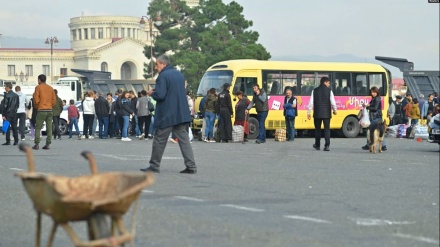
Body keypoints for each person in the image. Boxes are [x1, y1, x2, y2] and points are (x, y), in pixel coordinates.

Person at [140, 54, 196, 174]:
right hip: (181, 113)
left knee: (159, 139)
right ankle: (191, 166)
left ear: (163, 64)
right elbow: (173, 91)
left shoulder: (163, 75)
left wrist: (152, 93)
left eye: (157, 64)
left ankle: (154, 165)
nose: (156, 67)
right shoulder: (179, 74)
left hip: (167, 114)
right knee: (184, 140)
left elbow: (161, 95)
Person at [307, 77, 337, 151]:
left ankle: (317, 145)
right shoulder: (329, 91)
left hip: (317, 113)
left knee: (317, 130)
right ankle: (327, 146)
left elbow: (311, 102)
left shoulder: (314, 91)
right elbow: (333, 102)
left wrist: (308, 112)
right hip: (326, 114)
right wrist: (335, 110)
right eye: (328, 83)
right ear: (325, 82)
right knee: (327, 129)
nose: (329, 84)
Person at [32, 74, 56, 150]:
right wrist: (50, 105)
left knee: (38, 127)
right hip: (49, 109)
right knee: (49, 127)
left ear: (39, 80)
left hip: (41, 109)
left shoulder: (38, 87)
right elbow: (54, 100)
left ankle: (37, 144)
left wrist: (37, 106)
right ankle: (48, 143)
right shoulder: (50, 88)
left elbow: (36, 99)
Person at [361, 86, 387, 151]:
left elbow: (375, 108)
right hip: (374, 117)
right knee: (377, 131)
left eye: (374, 92)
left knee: (372, 131)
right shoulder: (374, 98)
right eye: (372, 92)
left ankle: (370, 144)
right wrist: (366, 105)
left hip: (376, 117)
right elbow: (370, 105)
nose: (373, 93)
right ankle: (382, 145)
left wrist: (367, 108)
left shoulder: (377, 99)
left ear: (377, 92)